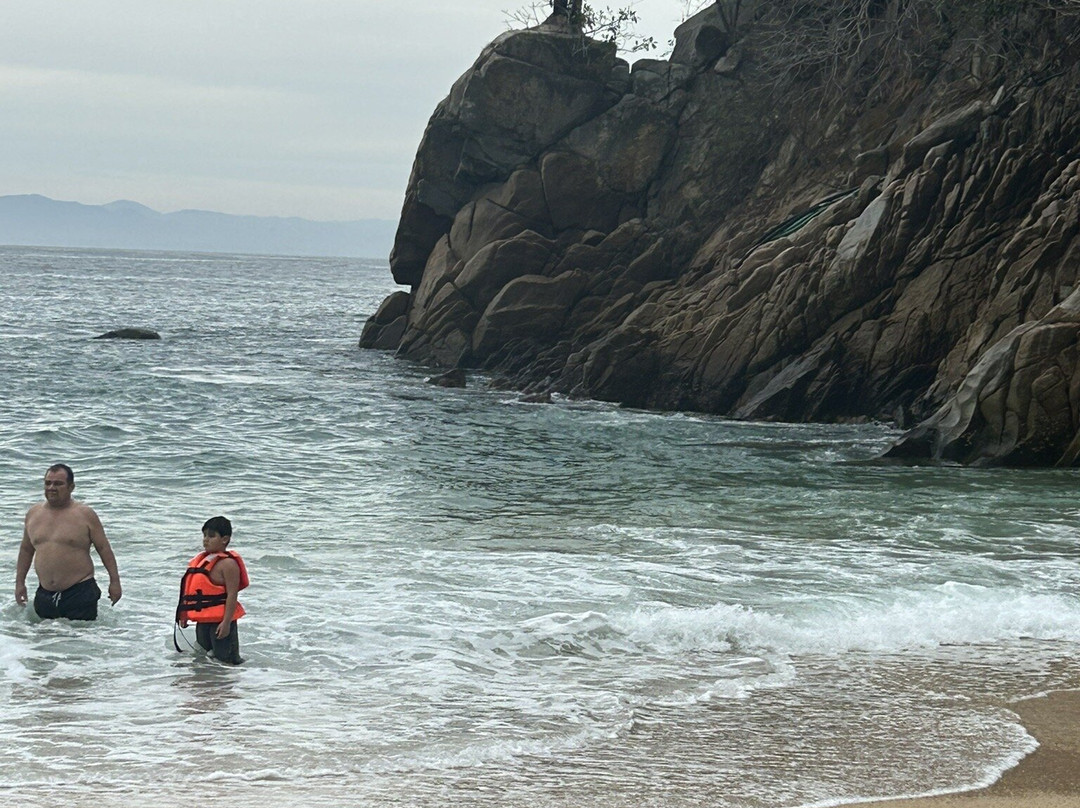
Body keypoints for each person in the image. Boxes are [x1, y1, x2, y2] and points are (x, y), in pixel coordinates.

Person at [15, 463, 122, 621]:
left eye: (58, 483)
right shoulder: (33, 514)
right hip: (44, 594)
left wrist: (115, 582)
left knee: (80, 642)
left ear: (71, 487)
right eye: (48, 483)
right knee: (43, 643)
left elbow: (103, 548)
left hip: (80, 592)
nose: (52, 487)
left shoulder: (85, 514)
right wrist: (20, 583)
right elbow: (26, 550)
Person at [175, 515, 248, 665]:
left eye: (211, 536)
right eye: (204, 535)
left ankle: (231, 686)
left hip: (221, 622)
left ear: (225, 539)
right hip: (203, 622)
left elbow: (232, 595)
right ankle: (207, 686)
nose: (205, 539)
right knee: (202, 659)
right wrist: (184, 614)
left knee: (227, 662)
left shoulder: (228, 564)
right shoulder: (202, 561)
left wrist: (227, 622)